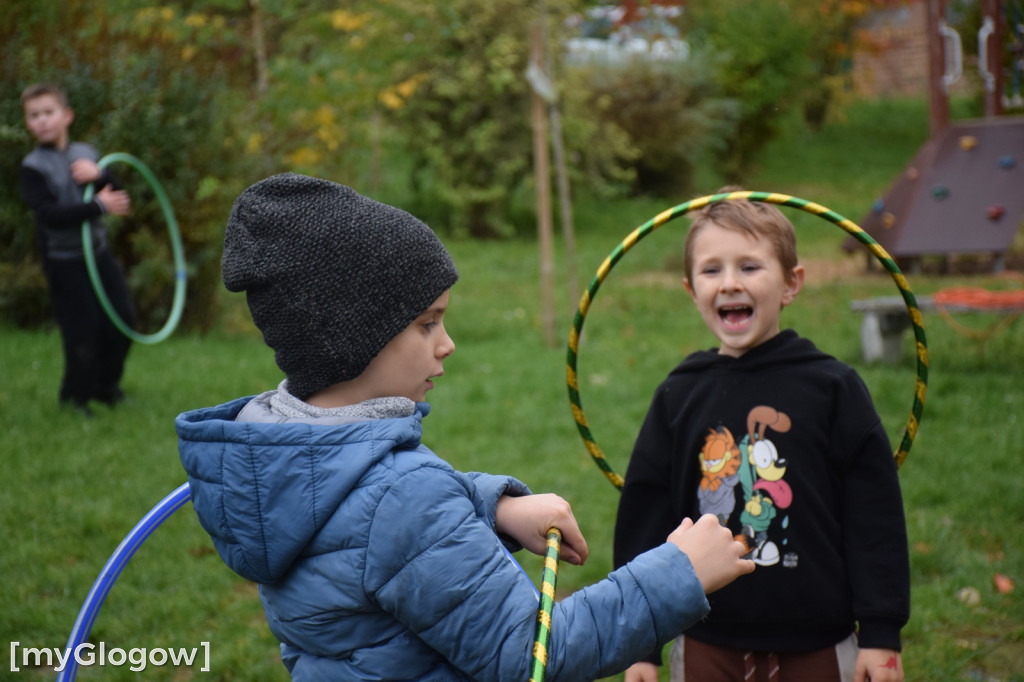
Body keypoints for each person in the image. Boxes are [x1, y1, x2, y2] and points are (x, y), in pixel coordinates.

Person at [175, 173, 755, 681]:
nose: (447, 345)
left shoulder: (282, 460)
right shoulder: (401, 499)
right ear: (349, 341)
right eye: (428, 324)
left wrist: (490, 505)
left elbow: (364, 533)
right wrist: (678, 574)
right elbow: (530, 656)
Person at [613, 191, 910, 682]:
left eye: (750, 267)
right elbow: (646, 520)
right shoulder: (679, 395)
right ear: (691, 289)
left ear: (792, 283)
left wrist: (880, 635)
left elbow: (873, 514)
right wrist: (640, 642)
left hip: (818, 640)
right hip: (705, 637)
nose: (730, 283)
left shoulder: (831, 388)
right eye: (712, 270)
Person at [19, 83, 136, 417]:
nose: (41, 121)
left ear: (66, 116)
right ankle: (74, 399)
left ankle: (105, 386)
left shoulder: (86, 153)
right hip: (65, 262)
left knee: (122, 321)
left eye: (48, 113)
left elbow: (120, 196)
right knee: (81, 333)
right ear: (27, 123)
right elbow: (49, 216)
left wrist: (100, 174)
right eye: (33, 115)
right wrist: (98, 205)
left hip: (99, 256)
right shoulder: (32, 168)